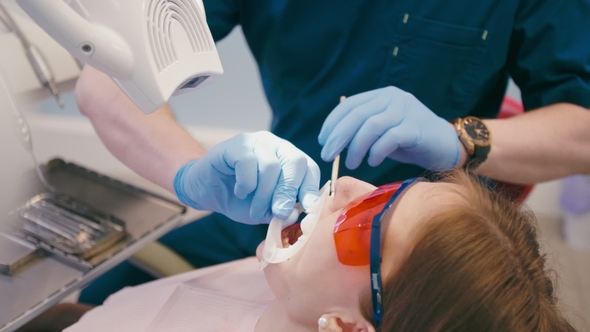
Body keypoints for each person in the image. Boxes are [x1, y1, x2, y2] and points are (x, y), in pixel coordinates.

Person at [75, 0, 590, 304]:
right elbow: (108, 76)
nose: (343, 188)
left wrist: (460, 139)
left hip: (424, 254)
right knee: (112, 293)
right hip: (271, 209)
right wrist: (188, 173)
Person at [17, 171, 577, 331]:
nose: (348, 187)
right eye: (392, 186)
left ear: (348, 328)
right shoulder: (291, 292)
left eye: (366, 220)